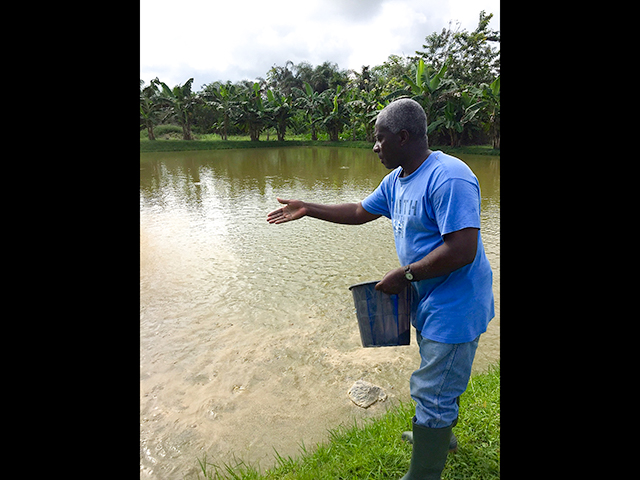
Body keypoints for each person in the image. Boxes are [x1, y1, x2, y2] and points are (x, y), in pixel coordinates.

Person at [266, 98, 494, 480]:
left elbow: (462, 250)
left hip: (456, 303)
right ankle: (438, 435)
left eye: (380, 138)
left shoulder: (449, 177)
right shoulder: (399, 178)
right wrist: (308, 207)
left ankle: (425, 468)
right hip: (428, 297)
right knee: (437, 375)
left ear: (403, 137)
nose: (375, 147)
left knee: (432, 387)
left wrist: (404, 276)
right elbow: (359, 212)